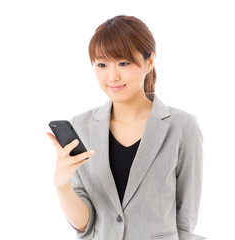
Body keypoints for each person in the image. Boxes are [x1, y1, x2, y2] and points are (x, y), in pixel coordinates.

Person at [46, 15, 205, 240]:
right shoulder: (81, 126)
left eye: (123, 63)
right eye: (102, 64)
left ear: (149, 62)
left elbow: (186, 220)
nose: (112, 76)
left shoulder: (182, 127)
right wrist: (62, 185)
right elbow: (86, 225)